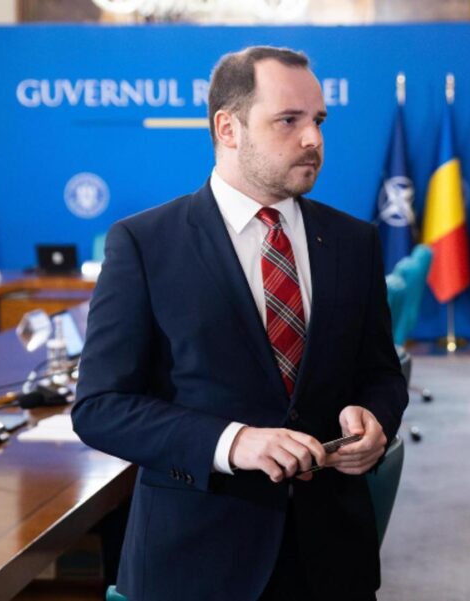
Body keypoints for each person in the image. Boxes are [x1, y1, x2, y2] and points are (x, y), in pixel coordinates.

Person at [72, 46, 408, 601]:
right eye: (289, 120)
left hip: (332, 560)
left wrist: (375, 419)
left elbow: (382, 374)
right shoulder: (144, 244)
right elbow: (100, 407)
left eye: (319, 120)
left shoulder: (354, 242)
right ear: (227, 128)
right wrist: (233, 443)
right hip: (196, 561)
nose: (313, 139)